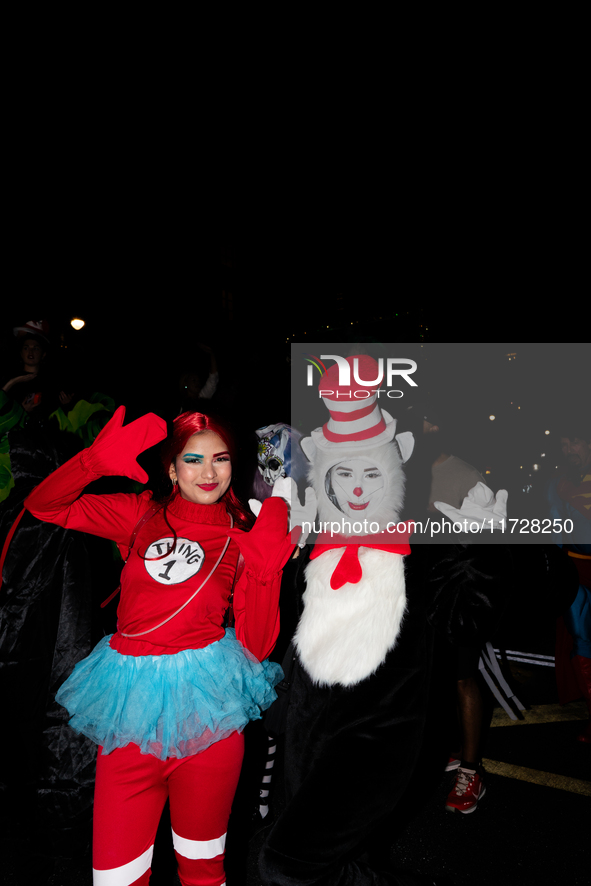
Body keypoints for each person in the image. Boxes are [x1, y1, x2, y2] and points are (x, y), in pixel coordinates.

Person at [260, 357, 512, 886]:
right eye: (342, 474)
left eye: (371, 473)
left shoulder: (420, 548)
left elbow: (467, 622)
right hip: (309, 732)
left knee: (288, 865)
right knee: (340, 858)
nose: (355, 489)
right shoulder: (310, 544)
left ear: (395, 472)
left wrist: (480, 547)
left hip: (377, 739)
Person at [22, 406, 296, 886]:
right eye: (193, 459)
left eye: (221, 459)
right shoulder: (138, 513)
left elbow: (256, 647)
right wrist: (91, 464)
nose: (208, 473)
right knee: (115, 877)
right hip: (132, 717)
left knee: (202, 872)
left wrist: (267, 570)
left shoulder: (240, 537)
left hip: (207, 721)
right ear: (171, 468)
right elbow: (45, 507)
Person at [548, 421, 591, 742]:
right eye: (563, 445)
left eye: (573, 443)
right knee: (582, 639)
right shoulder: (559, 483)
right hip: (576, 570)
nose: (568, 450)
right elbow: (553, 528)